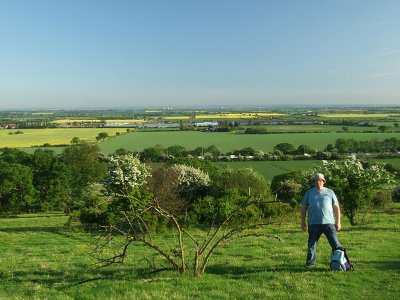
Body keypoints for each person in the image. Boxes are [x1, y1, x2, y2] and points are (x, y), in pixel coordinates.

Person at [300, 173, 342, 268]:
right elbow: (303, 207)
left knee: (335, 244)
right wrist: (303, 222)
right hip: (313, 223)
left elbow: (336, 207)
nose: (317, 182)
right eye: (315, 180)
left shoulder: (330, 192)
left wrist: (338, 221)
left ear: (323, 181)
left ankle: (338, 263)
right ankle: (310, 264)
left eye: (319, 180)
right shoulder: (309, 193)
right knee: (312, 245)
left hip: (329, 223)